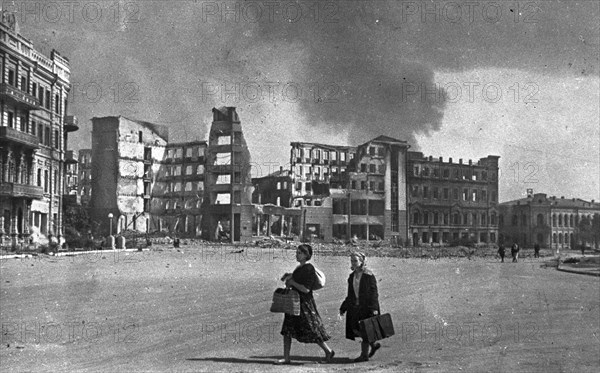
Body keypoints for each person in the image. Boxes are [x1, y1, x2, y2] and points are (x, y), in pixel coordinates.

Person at [277, 244, 334, 365]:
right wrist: (289, 278)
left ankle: (328, 351)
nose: (297, 255)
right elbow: (298, 281)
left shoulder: (309, 269)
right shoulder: (300, 268)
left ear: (306, 255)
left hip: (304, 304)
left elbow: (306, 289)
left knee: (312, 329)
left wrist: (292, 282)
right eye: (297, 252)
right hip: (294, 301)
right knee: (287, 329)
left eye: (300, 253)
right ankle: (286, 357)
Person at [340, 252, 381, 362]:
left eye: (355, 260)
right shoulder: (352, 276)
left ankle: (364, 355)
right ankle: (373, 344)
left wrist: (374, 309)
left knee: (365, 330)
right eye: (351, 260)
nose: (353, 263)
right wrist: (344, 307)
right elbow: (350, 294)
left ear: (362, 261)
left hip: (367, 307)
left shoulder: (368, 275)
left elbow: (374, 293)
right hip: (355, 307)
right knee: (356, 329)